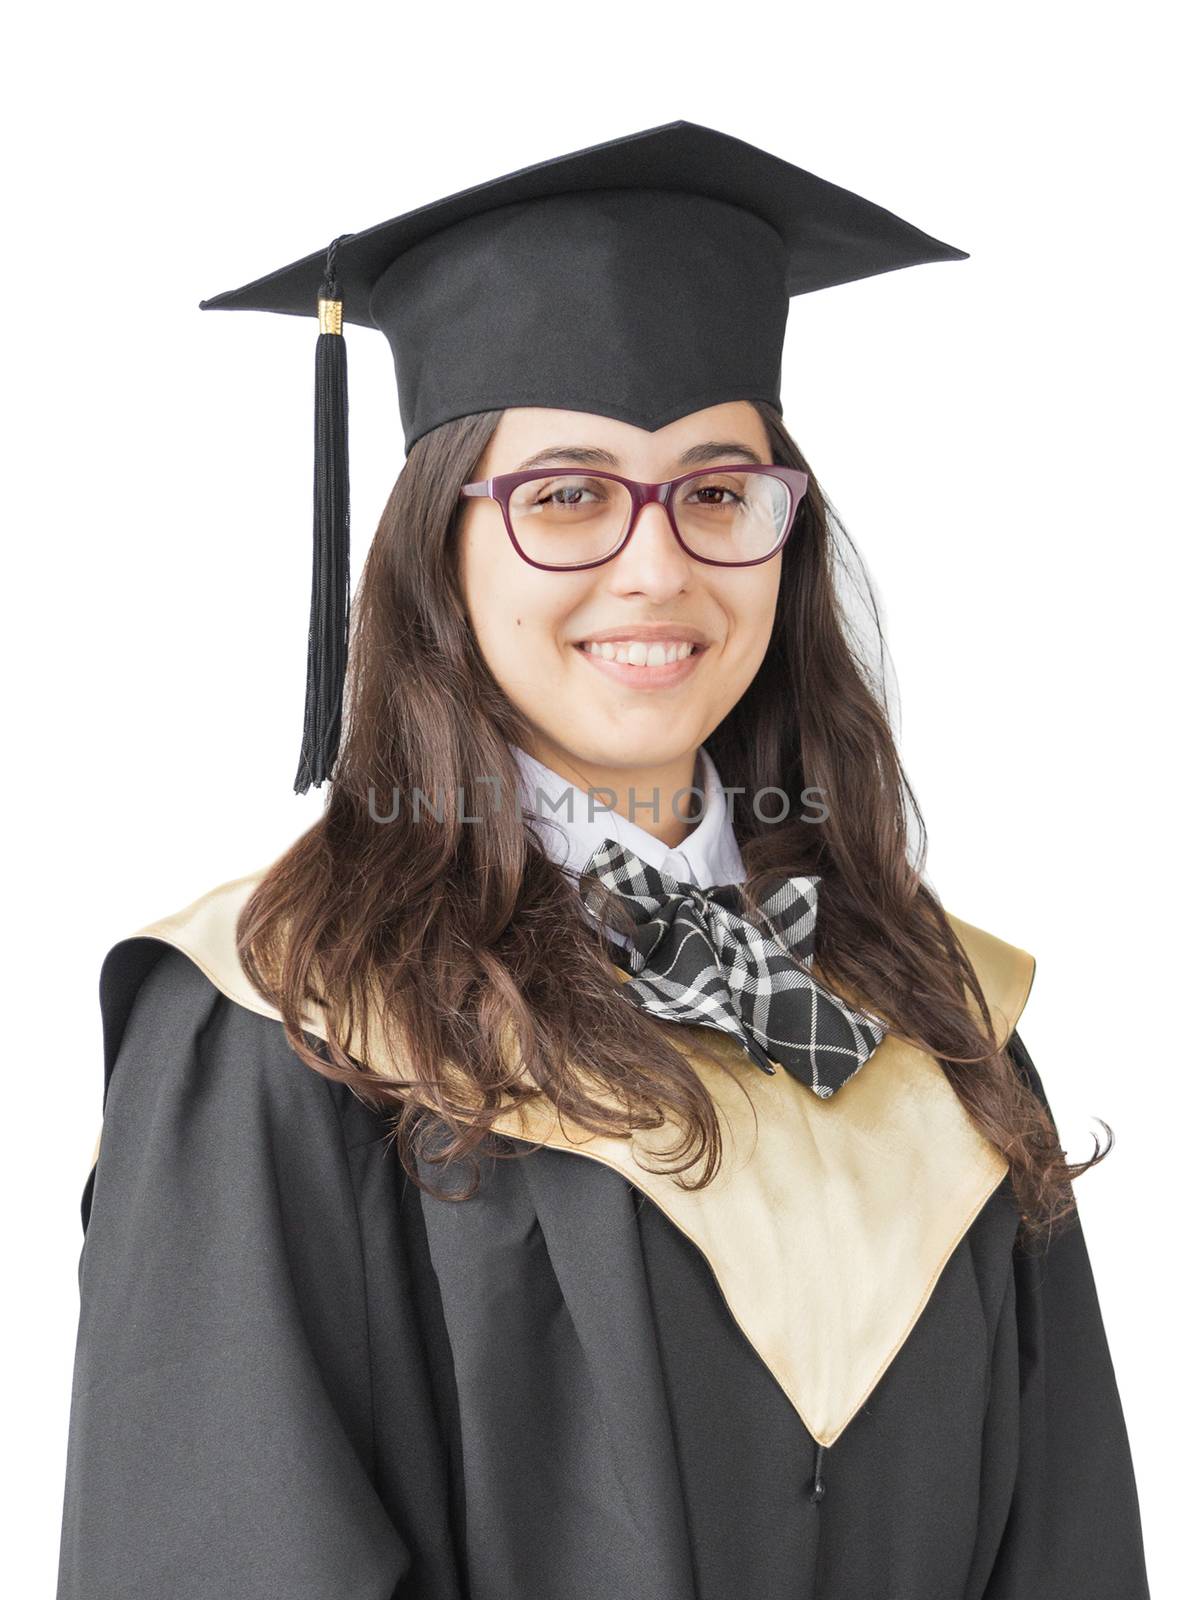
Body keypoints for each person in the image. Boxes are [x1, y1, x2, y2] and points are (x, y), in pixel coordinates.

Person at [56, 121, 1151, 1599]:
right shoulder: (286, 1023)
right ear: (434, 552)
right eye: (564, 496)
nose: (658, 567)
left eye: (717, 490)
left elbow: (1066, 1542)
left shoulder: (929, 1016)